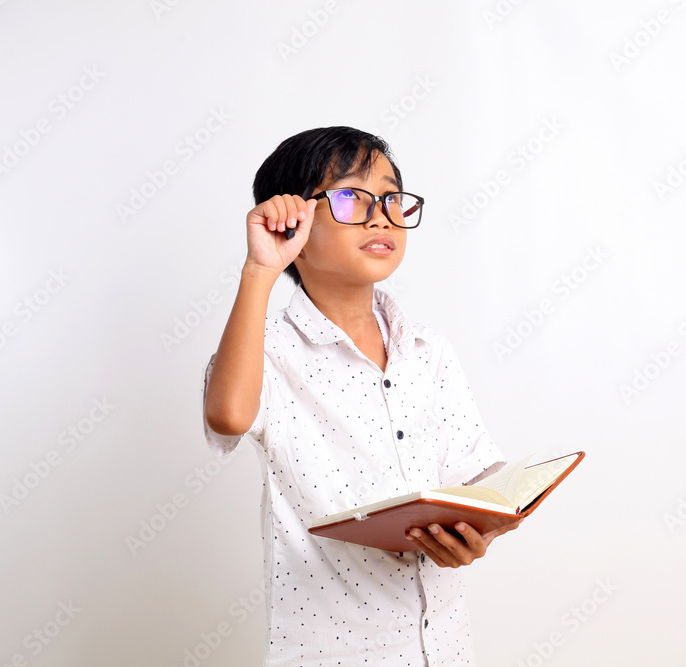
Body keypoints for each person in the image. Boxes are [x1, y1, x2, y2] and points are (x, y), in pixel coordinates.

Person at [201, 126, 520, 665]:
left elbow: (475, 482)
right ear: (293, 220)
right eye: (350, 196)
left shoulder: (428, 351)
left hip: (443, 647)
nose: (381, 215)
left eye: (391, 197)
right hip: (334, 650)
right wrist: (261, 269)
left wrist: (476, 535)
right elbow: (230, 416)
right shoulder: (267, 349)